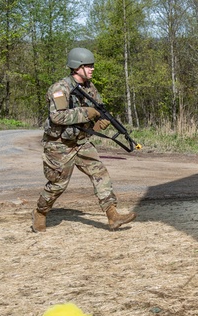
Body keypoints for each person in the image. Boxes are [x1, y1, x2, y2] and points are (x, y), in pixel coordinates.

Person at [31, 47, 136, 233]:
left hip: (81, 142)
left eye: (92, 65)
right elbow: (57, 117)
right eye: (88, 65)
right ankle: (40, 213)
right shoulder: (59, 89)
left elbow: (97, 111)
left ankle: (113, 215)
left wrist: (98, 124)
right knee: (57, 184)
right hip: (59, 145)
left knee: (100, 173)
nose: (92, 69)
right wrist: (86, 113)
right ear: (76, 67)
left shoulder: (90, 88)